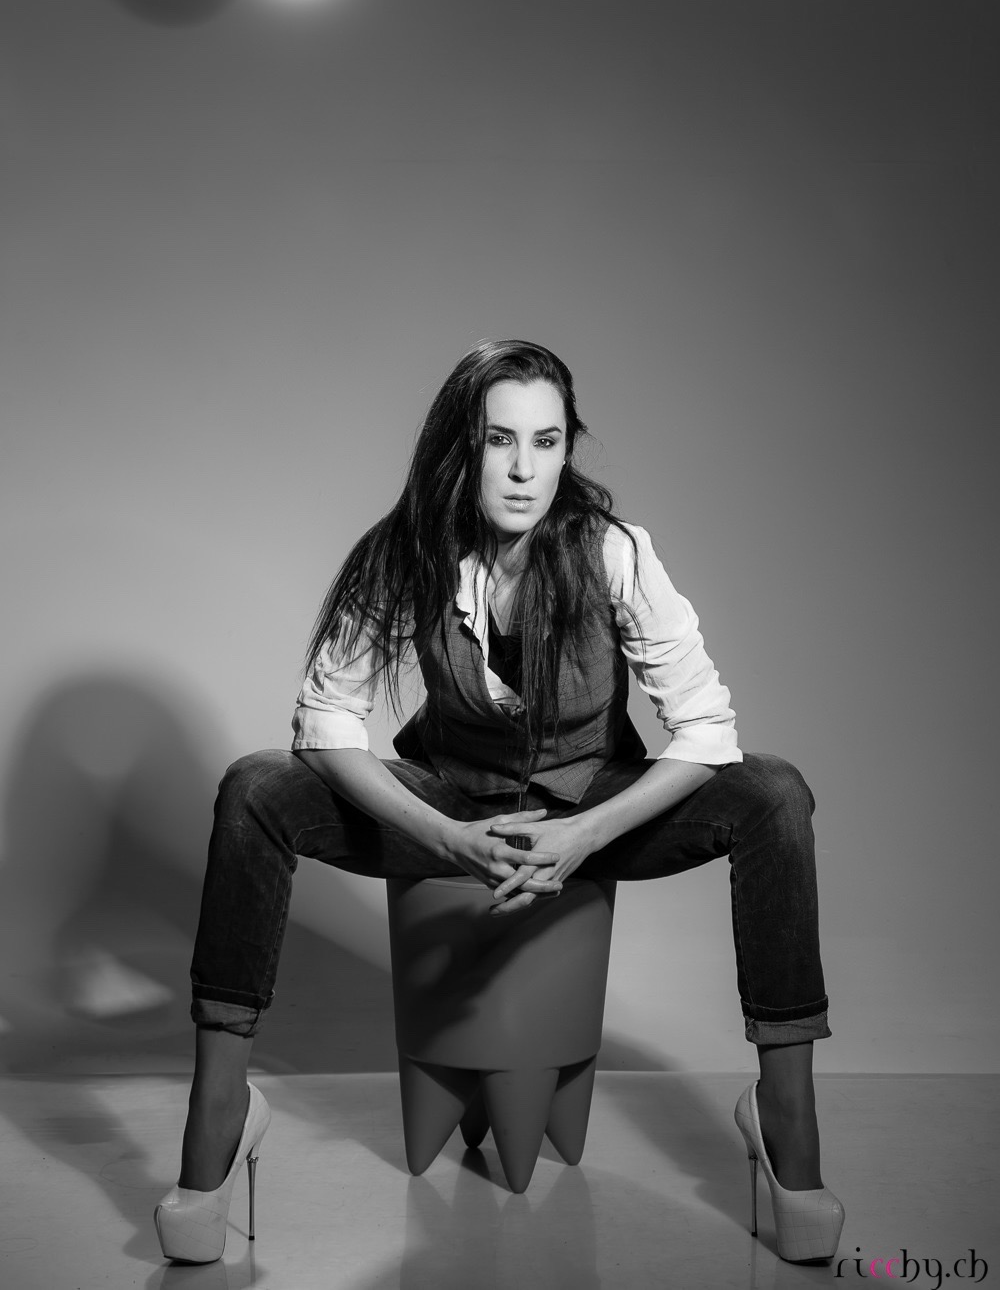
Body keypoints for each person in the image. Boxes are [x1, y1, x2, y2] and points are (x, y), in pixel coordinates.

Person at [154, 339, 845, 1265]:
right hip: (448, 799)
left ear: (567, 448)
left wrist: (584, 834)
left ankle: (786, 1112)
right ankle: (219, 1108)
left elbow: (706, 730)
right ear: (462, 445)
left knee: (776, 792)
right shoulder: (406, 552)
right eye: (499, 440)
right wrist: (447, 837)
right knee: (253, 788)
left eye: (546, 441)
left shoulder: (613, 552)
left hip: (592, 803)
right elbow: (325, 723)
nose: (524, 469)